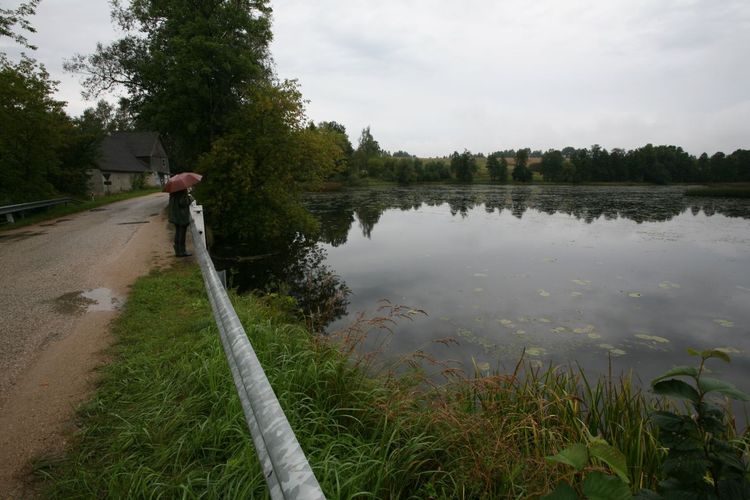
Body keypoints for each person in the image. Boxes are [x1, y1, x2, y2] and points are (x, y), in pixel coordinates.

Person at [168, 189, 192, 257]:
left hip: (176, 215)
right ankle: (182, 251)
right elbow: (183, 202)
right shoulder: (182, 190)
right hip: (182, 216)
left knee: (178, 232)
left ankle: (177, 251)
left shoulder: (173, 191)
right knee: (182, 233)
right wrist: (190, 199)